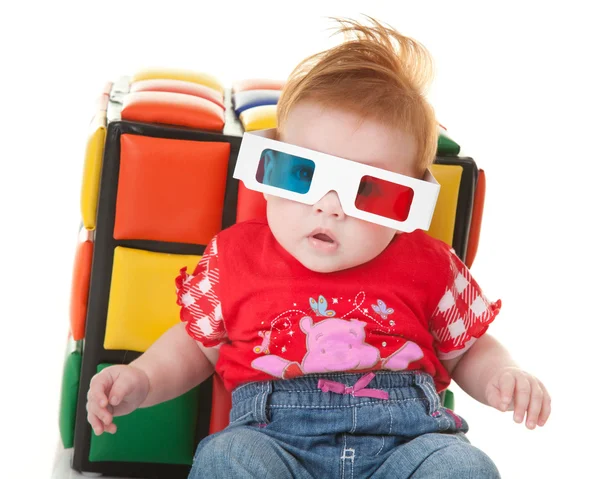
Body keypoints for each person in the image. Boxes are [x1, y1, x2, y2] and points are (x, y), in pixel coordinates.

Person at [86, 17, 551, 478]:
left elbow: (468, 349)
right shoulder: (234, 258)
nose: (329, 207)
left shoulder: (431, 265)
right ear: (267, 172)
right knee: (226, 458)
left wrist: (501, 377)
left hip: (407, 444)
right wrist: (142, 380)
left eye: (368, 191)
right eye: (301, 175)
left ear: (408, 206)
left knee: (464, 467)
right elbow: (195, 347)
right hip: (273, 442)